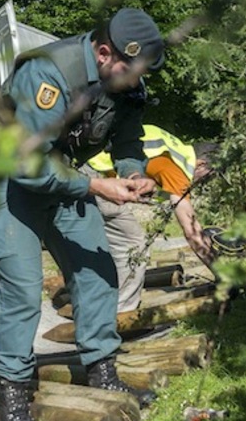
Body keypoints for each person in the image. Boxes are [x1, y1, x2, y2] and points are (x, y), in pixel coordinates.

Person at [0, 8, 165, 421]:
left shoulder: (125, 78)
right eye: (131, 69)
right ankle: (12, 406)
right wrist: (93, 184)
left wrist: (132, 170)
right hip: (9, 177)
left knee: (97, 269)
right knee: (22, 288)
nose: (136, 79)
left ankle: (102, 371)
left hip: (61, 174)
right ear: (105, 53)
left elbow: (127, 136)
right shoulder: (47, 74)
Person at [84, 125, 216, 312]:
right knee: (133, 244)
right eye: (210, 174)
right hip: (94, 176)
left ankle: (95, 303)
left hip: (85, 166)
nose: (208, 180)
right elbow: (191, 231)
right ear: (201, 163)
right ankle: (122, 314)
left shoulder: (173, 149)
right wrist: (223, 274)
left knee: (108, 243)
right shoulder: (177, 167)